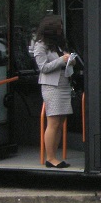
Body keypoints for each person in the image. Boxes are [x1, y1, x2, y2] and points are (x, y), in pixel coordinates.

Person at [31, 15, 74, 168]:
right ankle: (50, 158)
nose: (60, 31)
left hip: (63, 84)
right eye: (58, 28)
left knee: (60, 122)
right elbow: (43, 68)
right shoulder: (40, 46)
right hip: (51, 87)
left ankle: (54, 155)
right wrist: (61, 60)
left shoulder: (57, 45)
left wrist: (69, 61)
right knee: (53, 122)